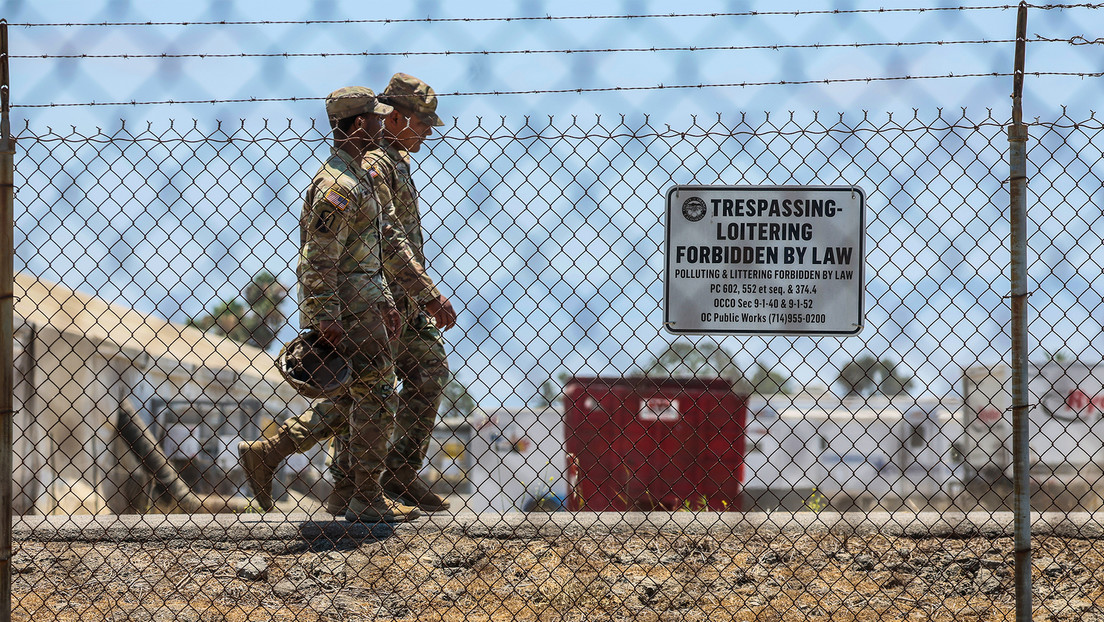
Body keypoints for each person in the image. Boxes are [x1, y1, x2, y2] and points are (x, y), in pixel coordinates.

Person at [238, 86, 419, 523]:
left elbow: (377, 247)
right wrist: (324, 318)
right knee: (375, 396)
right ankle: (366, 497)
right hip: (349, 308)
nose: (382, 125)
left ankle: (286, 461)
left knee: (358, 398)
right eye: (375, 119)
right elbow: (318, 258)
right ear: (358, 125)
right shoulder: (338, 186)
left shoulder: (361, 177)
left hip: (366, 303)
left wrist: (391, 300)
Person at [364, 73, 457, 512]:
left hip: (404, 301)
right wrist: (428, 293)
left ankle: (399, 474)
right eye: (422, 123)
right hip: (380, 302)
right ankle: (359, 488)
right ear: (397, 118)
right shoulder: (376, 164)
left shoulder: (396, 160)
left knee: (430, 371)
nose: (427, 133)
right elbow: (387, 236)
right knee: (367, 393)